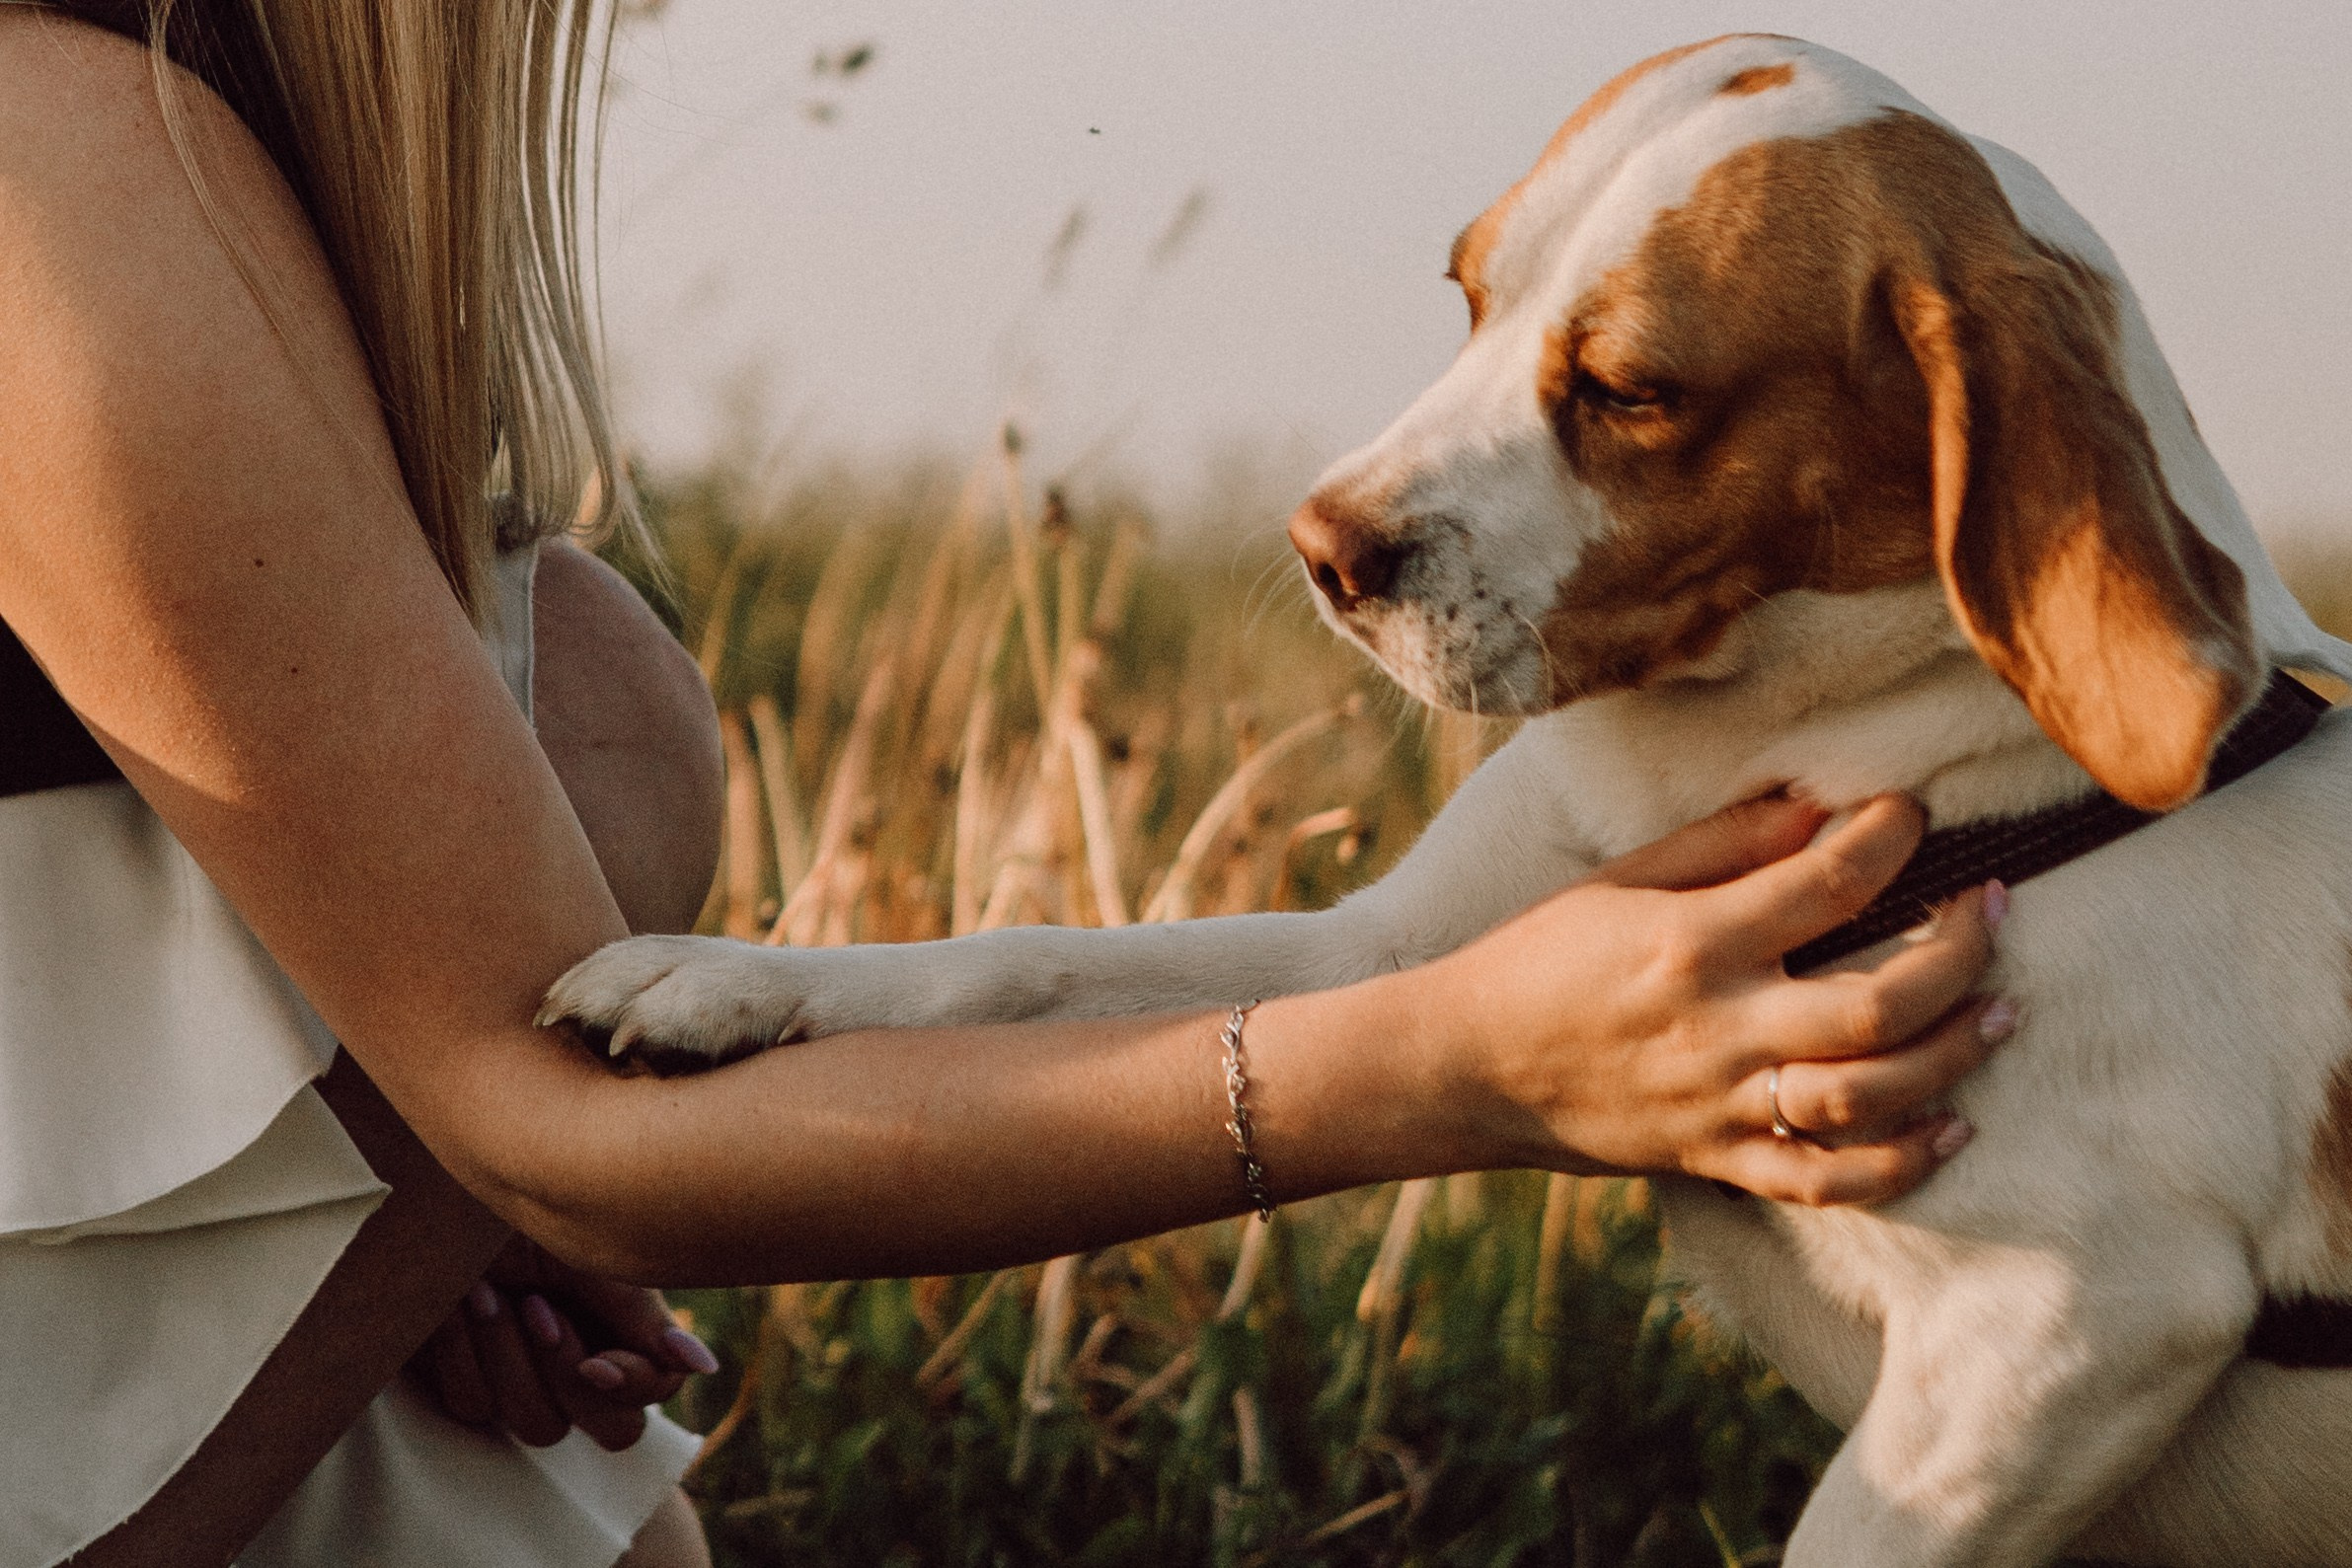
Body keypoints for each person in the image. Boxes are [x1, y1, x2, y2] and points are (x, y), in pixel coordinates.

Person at [0, 4, 2007, 1566]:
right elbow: (549, 1128)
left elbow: (522, 1130)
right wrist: (1451, 1069)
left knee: (586, 1505)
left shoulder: (162, 151)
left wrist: (409, 1238)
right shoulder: (62, 165)